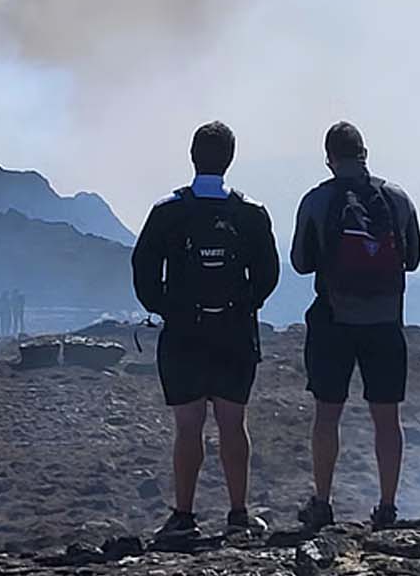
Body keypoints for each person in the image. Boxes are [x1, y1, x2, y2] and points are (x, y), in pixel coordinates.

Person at [132, 121, 281, 541]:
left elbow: (143, 269)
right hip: (234, 331)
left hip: (184, 334)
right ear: (230, 159)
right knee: (233, 423)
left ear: (192, 156)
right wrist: (246, 304)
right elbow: (269, 273)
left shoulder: (168, 211)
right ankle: (238, 514)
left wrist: (166, 307)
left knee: (188, 426)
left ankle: (183, 516)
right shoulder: (250, 213)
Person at [290, 122, 420, 532]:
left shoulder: (318, 200)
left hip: (334, 320)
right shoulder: (397, 198)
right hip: (385, 321)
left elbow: (300, 262)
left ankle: (322, 502)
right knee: (387, 417)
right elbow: (413, 259)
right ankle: (387, 506)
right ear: (364, 153)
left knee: (327, 414)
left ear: (329, 158)